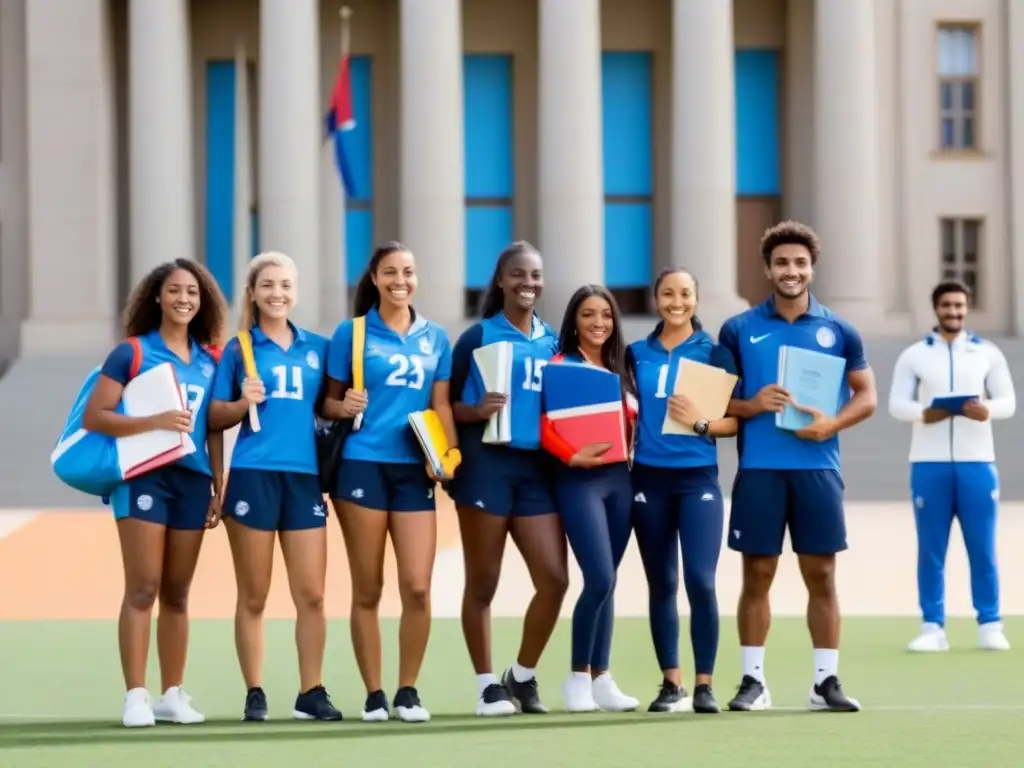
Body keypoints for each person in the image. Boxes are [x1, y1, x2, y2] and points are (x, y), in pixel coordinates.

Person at [717, 220, 877, 713]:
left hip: (818, 469)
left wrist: (832, 424)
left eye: (800, 263)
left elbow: (866, 395)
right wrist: (753, 403)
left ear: (812, 268)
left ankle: (824, 683)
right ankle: (753, 683)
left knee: (822, 574)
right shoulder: (739, 328)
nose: (792, 271)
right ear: (767, 269)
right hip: (761, 470)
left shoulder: (839, 329)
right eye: (782, 262)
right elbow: (718, 400)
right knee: (758, 574)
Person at [82, 258, 227, 728]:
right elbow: (96, 416)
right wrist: (154, 422)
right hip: (144, 478)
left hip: (192, 480)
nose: (184, 299)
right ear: (157, 297)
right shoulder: (132, 353)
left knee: (179, 592)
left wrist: (218, 484)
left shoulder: (211, 359)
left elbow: (214, 428)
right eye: (175, 291)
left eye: (193, 292)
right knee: (143, 586)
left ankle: (171, 693)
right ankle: (136, 695)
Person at [323, 242, 459, 724]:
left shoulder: (436, 337)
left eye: (409, 271)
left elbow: (441, 404)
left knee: (418, 588)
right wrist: (345, 407)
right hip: (361, 465)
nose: (401, 280)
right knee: (368, 586)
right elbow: (327, 403)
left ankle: (408, 691)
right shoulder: (352, 333)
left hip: (413, 469)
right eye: (391, 273)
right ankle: (375, 693)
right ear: (376, 279)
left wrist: (448, 453)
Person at [209, 252, 341, 722]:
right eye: (267, 284)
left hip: (304, 478)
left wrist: (347, 406)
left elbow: (330, 406)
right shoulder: (239, 349)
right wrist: (241, 405)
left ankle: (311, 691)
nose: (277, 293)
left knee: (313, 594)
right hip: (253, 476)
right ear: (252, 292)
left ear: (296, 290)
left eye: (285, 284)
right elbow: (213, 418)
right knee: (254, 594)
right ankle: (255, 691)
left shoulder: (319, 348)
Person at [449, 241, 568, 717]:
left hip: (538, 472)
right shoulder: (477, 338)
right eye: (518, 275)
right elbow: (445, 407)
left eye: (535, 275)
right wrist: (476, 411)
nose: (528, 284)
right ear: (500, 281)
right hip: (487, 467)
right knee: (483, 582)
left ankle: (520, 676)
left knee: (555, 580)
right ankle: (485, 685)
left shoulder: (554, 341)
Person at [626, 268, 738, 715]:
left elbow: (734, 422)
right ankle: (671, 683)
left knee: (700, 580)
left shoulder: (714, 352)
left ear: (697, 298)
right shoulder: (636, 353)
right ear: (656, 299)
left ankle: (705, 683)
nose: (677, 301)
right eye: (668, 293)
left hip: (697, 480)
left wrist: (701, 423)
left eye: (685, 293)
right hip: (648, 480)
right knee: (663, 582)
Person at [887, 280, 1015, 653]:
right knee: (931, 548)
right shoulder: (914, 355)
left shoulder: (986, 353)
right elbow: (897, 404)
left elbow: (1009, 401)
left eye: (959, 306)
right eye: (947, 306)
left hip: (978, 463)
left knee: (983, 546)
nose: (954, 312)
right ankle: (932, 626)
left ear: (967, 308)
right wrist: (926, 414)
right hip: (929, 464)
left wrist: (985, 409)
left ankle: (990, 623)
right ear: (936, 308)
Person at [541, 285, 639, 713]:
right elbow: (543, 422)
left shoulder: (624, 366)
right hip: (580, 480)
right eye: (588, 315)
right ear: (573, 321)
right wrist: (570, 455)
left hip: (622, 480)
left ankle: (603, 678)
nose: (598, 323)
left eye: (606, 315)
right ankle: (577, 676)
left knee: (609, 581)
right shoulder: (560, 367)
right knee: (598, 577)